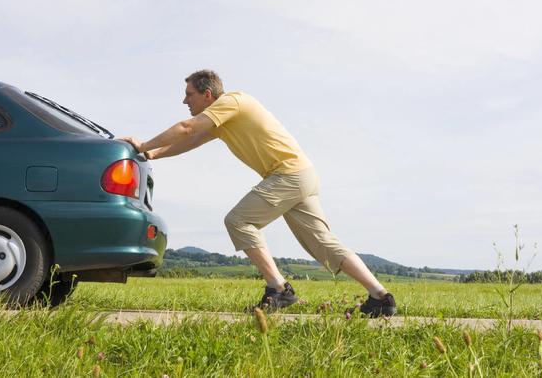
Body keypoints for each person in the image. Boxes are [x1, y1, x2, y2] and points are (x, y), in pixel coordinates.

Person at [121, 69, 396, 316]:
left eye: (189, 95)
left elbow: (186, 128)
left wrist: (143, 143)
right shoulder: (223, 119)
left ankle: (279, 289)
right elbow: (192, 139)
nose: (185, 101)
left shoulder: (233, 101)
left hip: (288, 174)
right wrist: (152, 153)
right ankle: (381, 297)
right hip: (301, 174)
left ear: (207, 95)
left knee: (239, 220)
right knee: (322, 243)